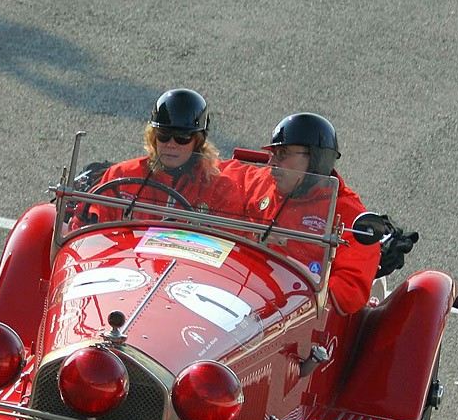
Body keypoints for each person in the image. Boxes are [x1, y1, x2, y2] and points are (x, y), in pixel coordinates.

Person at [223, 112, 381, 315]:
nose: (272, 164)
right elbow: (211, 173)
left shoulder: (347, 213)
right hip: (242, 294)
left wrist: (300, 300)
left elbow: (350, 291)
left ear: (317, 160)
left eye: (283, 154)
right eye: (272, 154)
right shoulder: (263, 182)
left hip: (297, 316)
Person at [81, 88, 243, 223]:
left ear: (198, 141)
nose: (171, 144)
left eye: (182, 138)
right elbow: (85, 229)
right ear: (153, 137)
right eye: (163, 135)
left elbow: (231, 247)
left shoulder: (220, 189)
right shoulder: (120, 176)